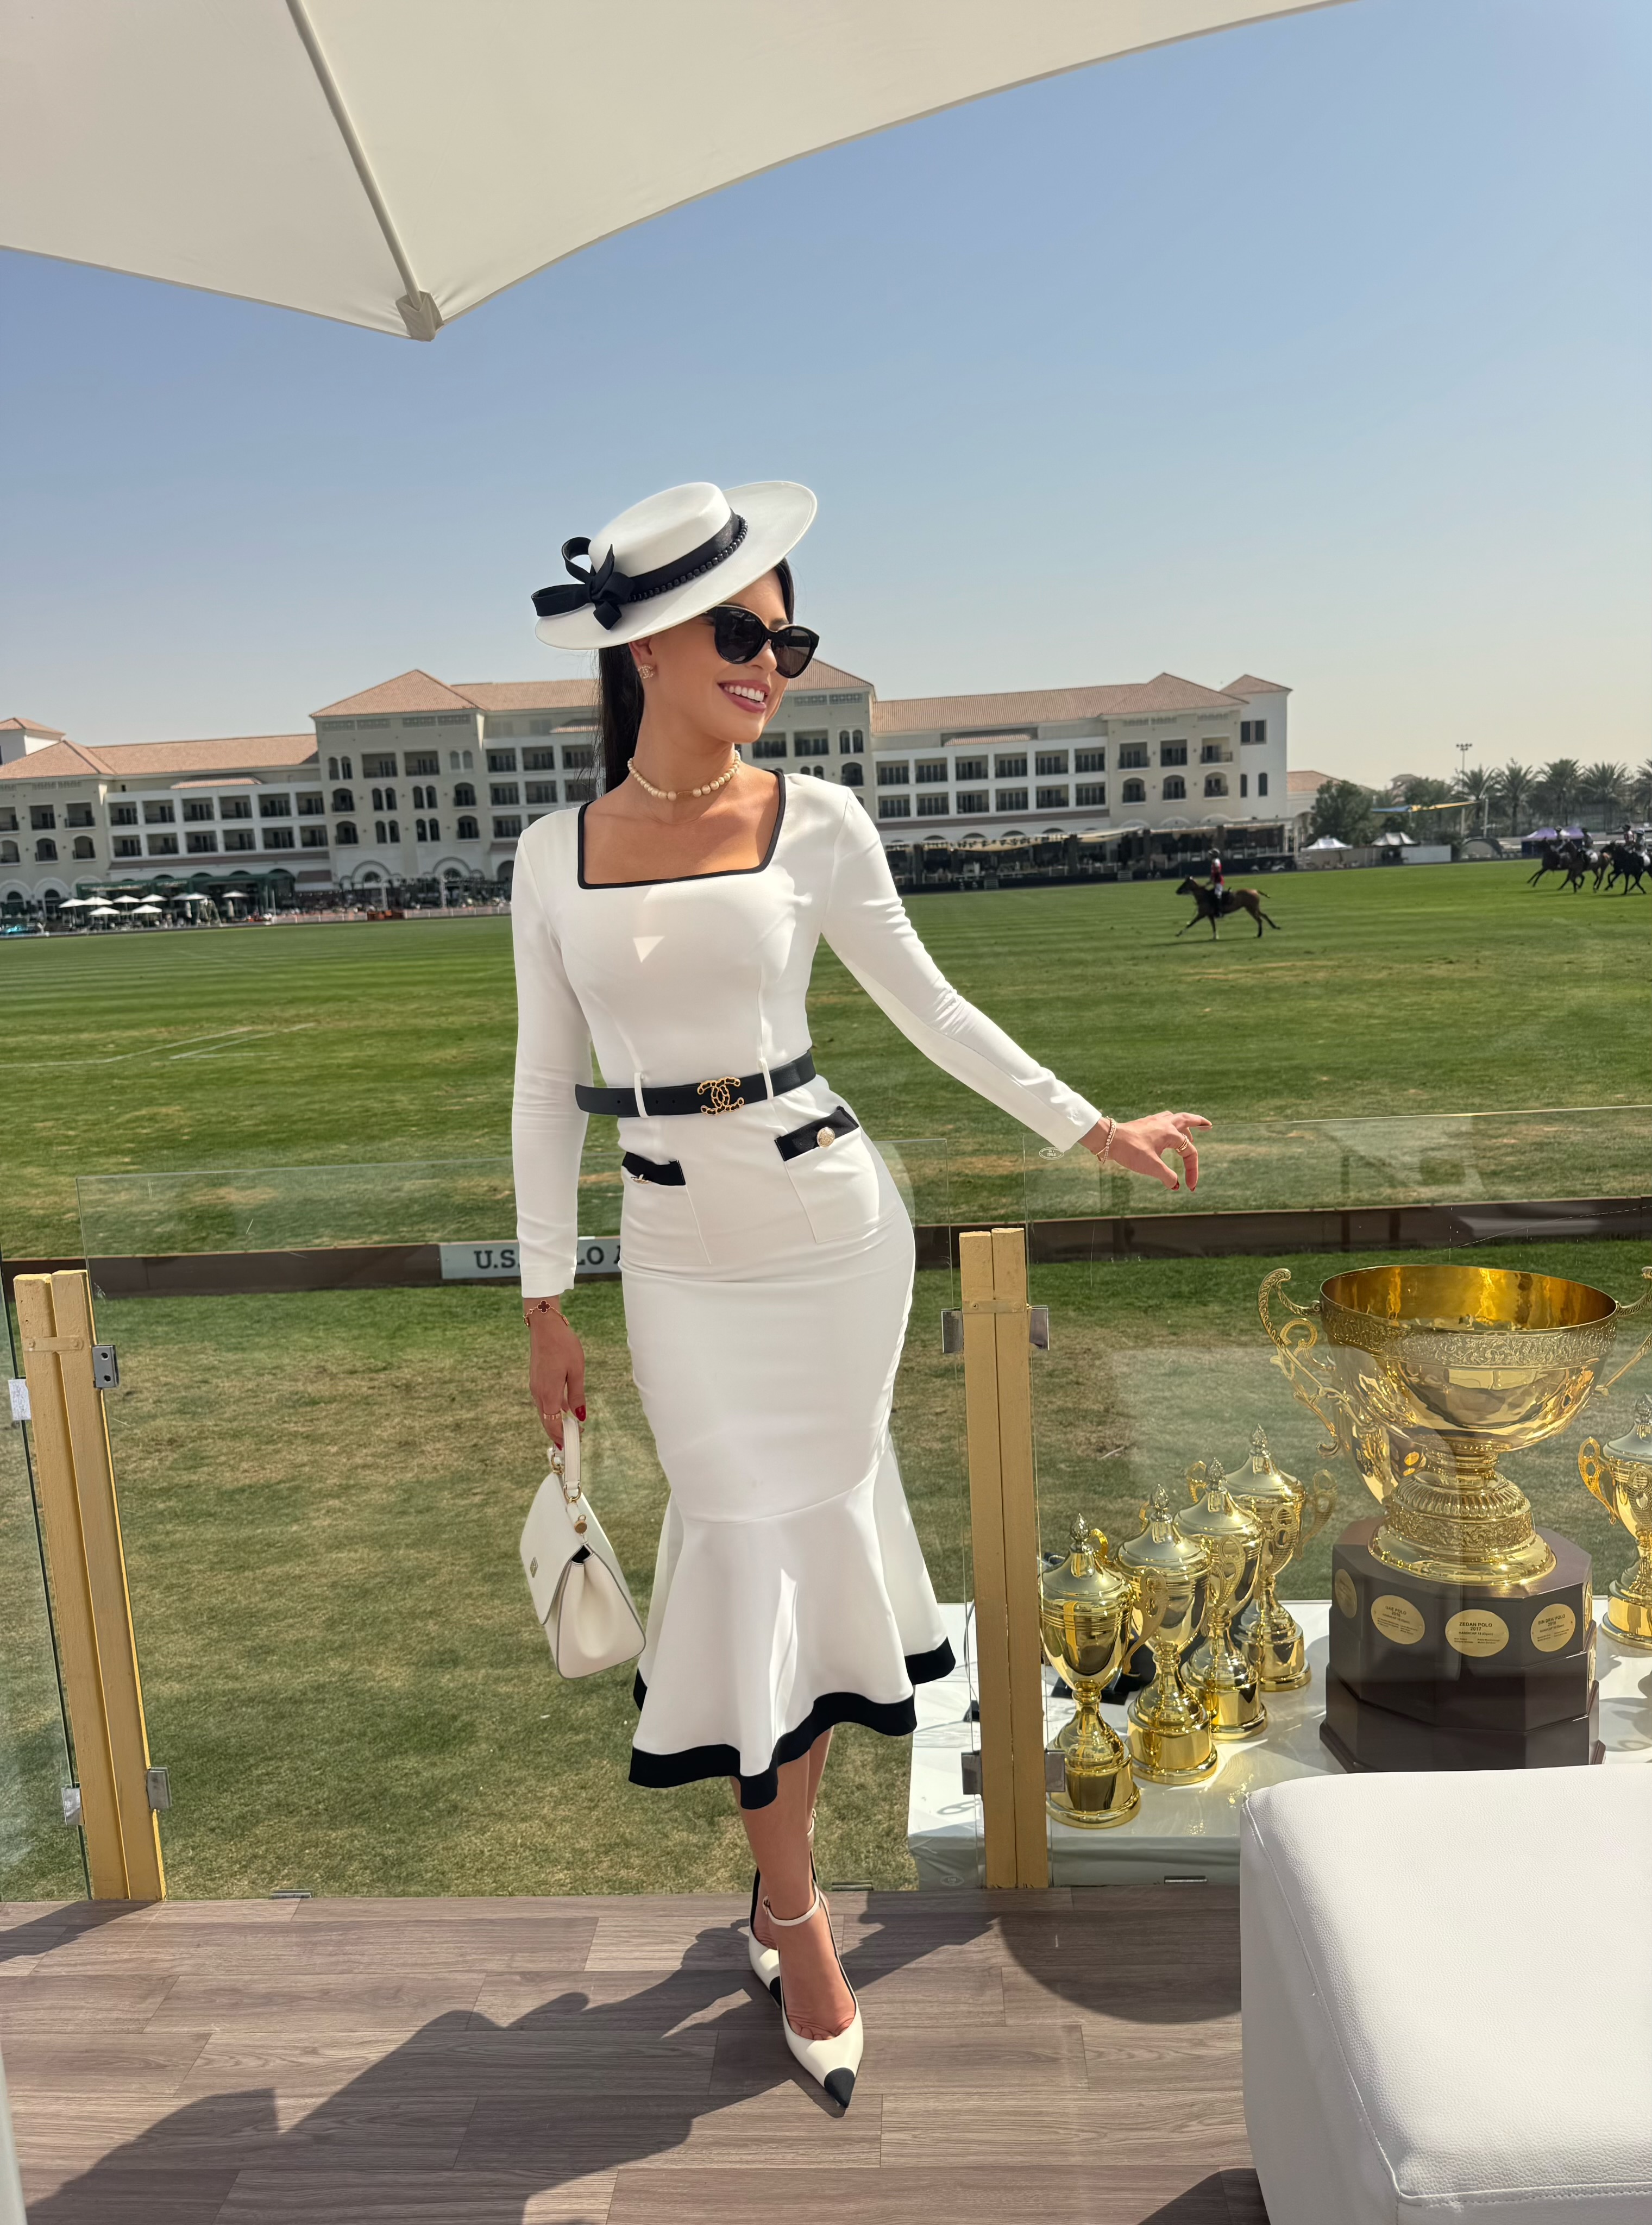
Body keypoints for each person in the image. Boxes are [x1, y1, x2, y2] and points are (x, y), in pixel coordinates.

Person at [513, 480, 1210, 2109]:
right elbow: (545, 1086)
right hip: (673, 1255)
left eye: (789, 637)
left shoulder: (817, 820)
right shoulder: (549, 856)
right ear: (645, 646)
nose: (773, 664)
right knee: (737, 1539)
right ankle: (788, 1900)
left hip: (833, 1233)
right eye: (742, 633)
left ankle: (788, 1903)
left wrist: (1090, 1127)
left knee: (807, 1548)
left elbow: (932, 1009)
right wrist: (543, 1302)